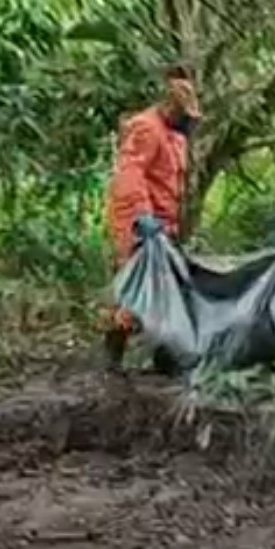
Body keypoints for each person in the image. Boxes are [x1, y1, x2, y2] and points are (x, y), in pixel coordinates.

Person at [101, 64, 202, 372]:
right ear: (171, 108)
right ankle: (112, 358)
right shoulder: (146, 128)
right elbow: (129, 175)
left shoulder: (175, 136)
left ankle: (165, 359)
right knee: (136, 289)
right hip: (140, 224)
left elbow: (172, 183)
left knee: (167, 289)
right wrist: (142, 218)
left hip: (163, 223)